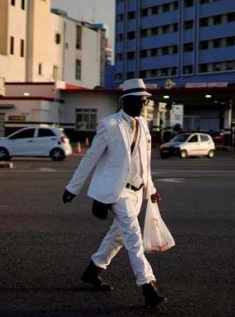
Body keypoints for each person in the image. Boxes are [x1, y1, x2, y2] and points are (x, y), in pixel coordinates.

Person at [62, 78, 167, 309]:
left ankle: (93, 271)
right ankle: (148, 287)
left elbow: (144, 163)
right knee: (133, 238)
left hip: (138, 191)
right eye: (140, 100)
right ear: (125, 101)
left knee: (118, 236)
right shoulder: (109, 125)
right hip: (119, 193)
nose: (144, 104)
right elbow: (91, 158)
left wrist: (151, 189)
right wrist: (73, 187)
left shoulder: (144, 124)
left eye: (146, 100)